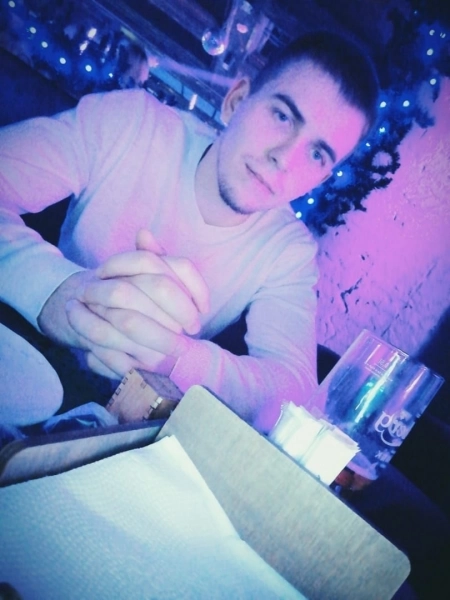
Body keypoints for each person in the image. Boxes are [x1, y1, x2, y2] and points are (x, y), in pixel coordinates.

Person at [0, 31, 378, 432]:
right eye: (282, 116)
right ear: (236, 101)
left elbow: (292, 394)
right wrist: (59, 293)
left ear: (322, 177)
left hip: (117, 429)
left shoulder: (288, 250)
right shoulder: (131, 122)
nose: (285, 159)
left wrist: (174, 357)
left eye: (317, 154)